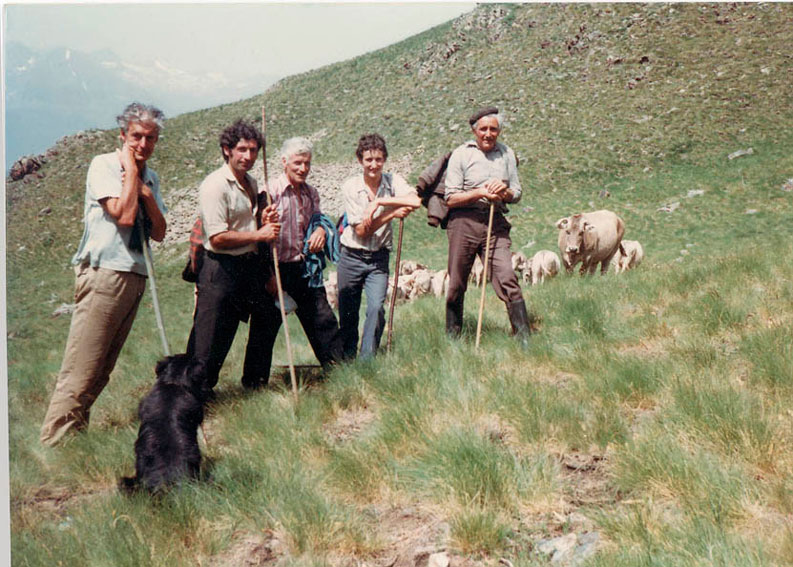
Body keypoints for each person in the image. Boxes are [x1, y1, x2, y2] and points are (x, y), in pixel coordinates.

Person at [40, 102, 168, 446]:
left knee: (102, 367)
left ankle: (75, 439)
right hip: (105, 274)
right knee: (83, 365)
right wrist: (129, 171)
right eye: (137, 137)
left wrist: (147, 194)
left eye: (151, 138)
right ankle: (54, 442)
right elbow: (124, 216)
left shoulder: (151, 178)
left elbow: (158, 231)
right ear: (123, 136)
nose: (144, 145)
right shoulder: (105, 165)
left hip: (135, 275)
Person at [185, 119, 281, 394]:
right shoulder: (215, 185)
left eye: (253, 150)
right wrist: (260, 235)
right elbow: (217, 237)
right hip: (219, 268)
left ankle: (251, 384)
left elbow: (245, 221)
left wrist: (263, 217)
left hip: (246, 267)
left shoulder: (250, 181)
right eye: (242, 149)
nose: (248, 156)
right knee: (209, 338)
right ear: (227, 149)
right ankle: (191, 396)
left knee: (261, 317)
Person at [243, 137, 343, 383]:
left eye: (307, 163)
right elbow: (258, 235)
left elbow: (319, 218)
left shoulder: (311, 193)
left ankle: (342, 373)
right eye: (298, 163)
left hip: (305, 269)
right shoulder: (269, 192)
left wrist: (321, 231)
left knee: (324, 321)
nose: (303, 169)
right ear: (284, 162)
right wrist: (268, 276)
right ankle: (254, 386)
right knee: (263, 330)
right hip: (275, 268)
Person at [444, 106, 531, 346]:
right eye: (483, 129)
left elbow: (517, 192)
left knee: (507, 277)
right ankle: (454, 339)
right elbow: (450, 197)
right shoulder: (461, 154)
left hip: (495, 223)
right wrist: (480, 192)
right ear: (474, 130)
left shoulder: (507, 154)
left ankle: (524, 340)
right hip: (464, 223)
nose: (488, 134)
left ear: (499, 131)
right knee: (457, 283)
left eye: (493, 129)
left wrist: (504, 192)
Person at [337, 133, 420, 359]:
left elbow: (415, 201)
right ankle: (347, 360)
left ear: (384, 160)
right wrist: (390, 213)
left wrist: (380, 202)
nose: (374, 165)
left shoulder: (393, 181)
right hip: (351, 256)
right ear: (360, 161)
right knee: (348, 313)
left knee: (376, 308)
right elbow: (362, 231)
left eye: (379, 159)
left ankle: (367, 361)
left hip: (378, 259)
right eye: (368, 160)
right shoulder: (351, 187)